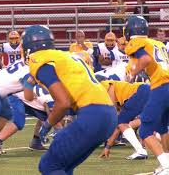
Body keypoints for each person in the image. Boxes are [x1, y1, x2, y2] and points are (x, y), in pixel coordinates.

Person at [22, 25, 117, 175]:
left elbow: (63, 103)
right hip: (108, 114)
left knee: (49, 166)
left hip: (92, 114)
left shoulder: (40, 59)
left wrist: (47, 125)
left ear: (29, 47)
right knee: (64, 166)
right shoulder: (64, 56)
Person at [125, 16, 169, 174]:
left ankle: (166, 166)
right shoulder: (156, 42)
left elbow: (145, 59)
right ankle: (167, 162)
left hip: (161, 86)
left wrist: (132, 74)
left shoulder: (136, 42)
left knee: (145, 130)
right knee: (163, 127)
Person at [0, 84, 60, 154]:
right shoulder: (51, 99)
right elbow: (54, 119)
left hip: (28, 100)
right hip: (16, 96)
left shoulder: (53, 94)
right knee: (18, 122)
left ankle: (36, 142)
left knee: (45, 117)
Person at [98, 80, 149, 160]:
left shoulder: (102, 85)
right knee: (149, 122)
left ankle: (140, 151)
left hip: (141, 91)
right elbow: (118, 126)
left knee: (122, 123)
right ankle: (143, 149)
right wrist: (108, 147)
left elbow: (111, 86)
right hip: (147, 90)